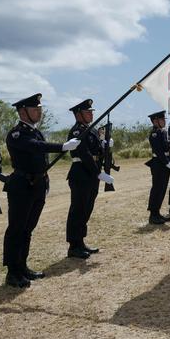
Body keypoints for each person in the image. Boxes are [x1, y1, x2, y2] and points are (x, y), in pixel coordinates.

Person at [3, 94, 79, 287]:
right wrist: (62, 146)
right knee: (17, 229)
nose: (39, 112)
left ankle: (22, 266)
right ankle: (12, 272)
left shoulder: (36, 132)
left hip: (36, 185)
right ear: (22, 111)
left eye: (40, 108)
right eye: (35, 109)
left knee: (28, 229)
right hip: (21, 186)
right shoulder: (16, 134)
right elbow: (36, 148)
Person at [65, 99, 109, 259]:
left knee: (87, 208)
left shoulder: (90, 130)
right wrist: (98, 172)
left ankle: (80, 242)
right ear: (78, 115)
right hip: (81, 173)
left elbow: (97, 152)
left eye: (91, 111)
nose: (91, 114)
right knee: (78, 209)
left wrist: (104, 144)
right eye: (87, 112)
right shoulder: (77, 132)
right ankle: (73, 245)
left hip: (91, 173)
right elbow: (84, 154)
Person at [146, 111, 170, 225]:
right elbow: (159, 151)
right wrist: (166, 162)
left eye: (164, 119)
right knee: (157, 188)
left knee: (163, 188)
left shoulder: (163, 132)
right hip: (159, 164)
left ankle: (157, 212)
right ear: (155, 121)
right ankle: (153, 215)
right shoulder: (154, 134)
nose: (164, 121)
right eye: (162, 119)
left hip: (164, 163)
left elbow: (165, 146)